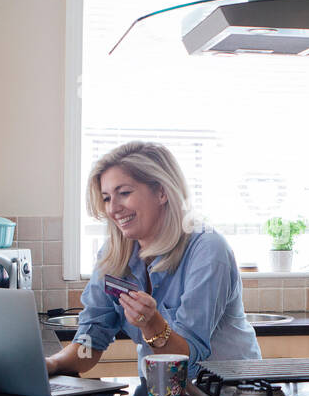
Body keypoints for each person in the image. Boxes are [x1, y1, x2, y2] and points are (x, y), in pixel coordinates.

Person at [44, 141, 261, 379]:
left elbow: (186, 360)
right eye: (106, 198)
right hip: (161, 393)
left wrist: (152, 324)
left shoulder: (207, 249)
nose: (113, 208)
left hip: (229, 395)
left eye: (124, 193)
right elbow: (90, 342)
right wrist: (52, 364)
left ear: (162, 192)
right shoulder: (114, 255)